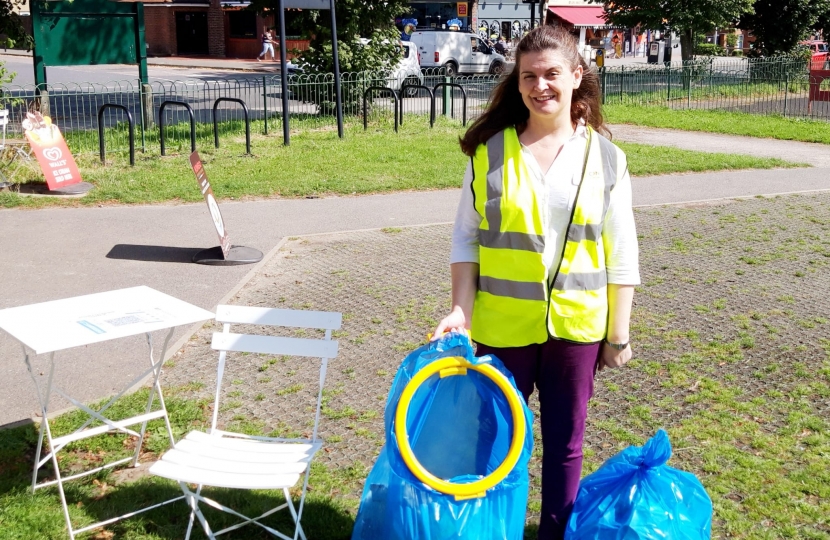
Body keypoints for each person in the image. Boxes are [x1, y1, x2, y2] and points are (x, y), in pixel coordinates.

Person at [432, 25, 640, 540]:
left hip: (577, 330)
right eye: (529, 76)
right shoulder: (489, 153)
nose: (540, 85)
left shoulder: (607, 159)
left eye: (551, 74)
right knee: (495, 442)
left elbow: (622, 254)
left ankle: (554, 534)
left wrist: (618, 335)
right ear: (517, 83)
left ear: (576, 76)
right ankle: (488, 529)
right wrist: (461, 310)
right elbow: (466, 240)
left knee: (566, 444)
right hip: (503, 329)